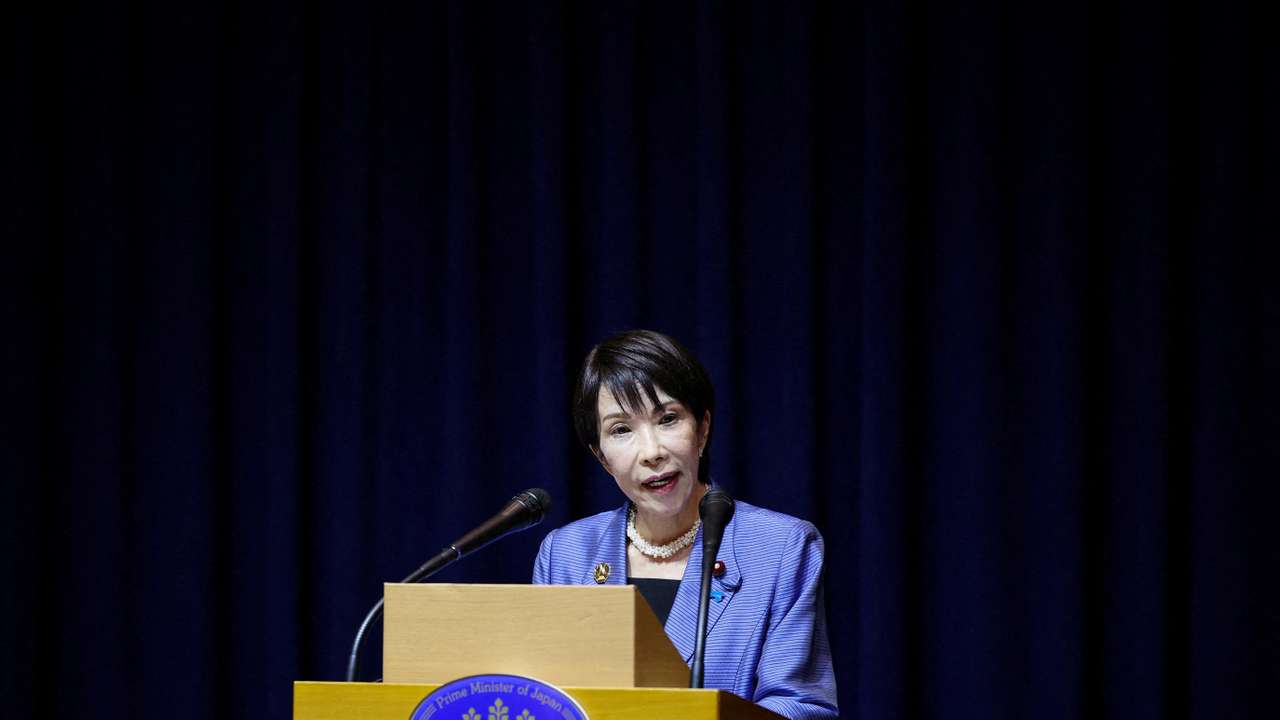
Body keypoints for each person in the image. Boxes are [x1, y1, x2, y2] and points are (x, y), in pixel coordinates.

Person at [532, 329, 837, 719]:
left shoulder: (781, 547)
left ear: (703, 428)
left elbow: (802, 706)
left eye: (668, 419)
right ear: (601, 457)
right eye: (621, 430)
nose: (652, 452)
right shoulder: (566, 555)